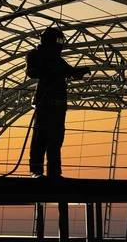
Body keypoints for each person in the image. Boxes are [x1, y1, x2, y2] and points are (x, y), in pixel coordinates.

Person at [26, 27, 90, 178]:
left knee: (56, 139)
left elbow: (70, 72)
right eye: (59, 41)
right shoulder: (36, 55)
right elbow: (31, 72)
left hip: (59, 105)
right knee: (40, 137)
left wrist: (81, 71)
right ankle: (36, 171)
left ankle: (54, 171)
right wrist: (51, 70)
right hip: (45, 103)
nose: (60, 45)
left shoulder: (57, 60)